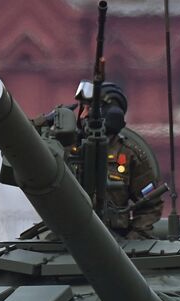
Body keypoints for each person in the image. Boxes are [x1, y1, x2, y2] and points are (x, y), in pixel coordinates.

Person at [16, 81, 163, 237]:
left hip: (113, 243)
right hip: (63, 239)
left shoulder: (129, 154)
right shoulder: (63, 147)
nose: (84, 115)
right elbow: (20, 145)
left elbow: (150, 205)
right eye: (83, 109)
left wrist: (134, 240)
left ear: (110, 114)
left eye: (89, 109)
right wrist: (44, 122)